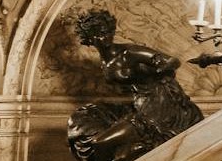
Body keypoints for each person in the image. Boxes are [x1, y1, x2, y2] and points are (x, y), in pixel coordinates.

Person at [67, 10, 204, 161]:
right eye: (98, 34)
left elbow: (173, 61)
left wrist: (159, 71)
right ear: (89, 38)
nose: (105, 37)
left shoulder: (129, 52)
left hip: (158, 106)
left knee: (100, 143)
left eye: (107, 32)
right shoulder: (105, 62)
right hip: (139, 103)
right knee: (99, 138)